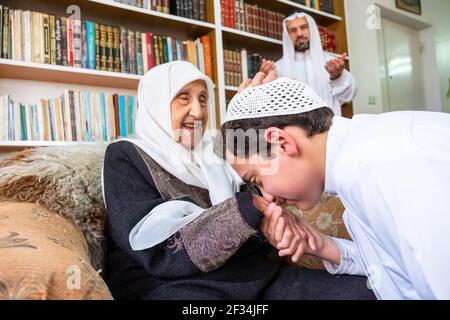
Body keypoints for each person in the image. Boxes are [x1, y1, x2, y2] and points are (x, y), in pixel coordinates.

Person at [101, 61, 375, 300]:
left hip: (252, 275)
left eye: (203, 99)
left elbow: (257, 181)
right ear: (156, 104)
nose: (197, 111)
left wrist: (253, 119)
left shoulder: (214, 150)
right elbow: (155, 249)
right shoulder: (126, 155)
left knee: (365, 292)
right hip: (174, 285)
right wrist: (252, 208)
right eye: (183, 98)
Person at [217, 74, 450, 300]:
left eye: (257, 180)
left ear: (281, 143)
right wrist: (322, 245)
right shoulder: (358, 153)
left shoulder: (373, 167)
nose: (270, 198)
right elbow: (396, 267)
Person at [259, 12, 356, 116]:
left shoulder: (331, 64)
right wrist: (264, 81)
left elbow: (349, 96)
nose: (299, 33)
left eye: (303, 27)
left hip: (331, 129)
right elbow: (268, 106)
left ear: (312, 30)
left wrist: (337, 77)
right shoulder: (277, 68)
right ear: (287, 35)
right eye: (293, 30)